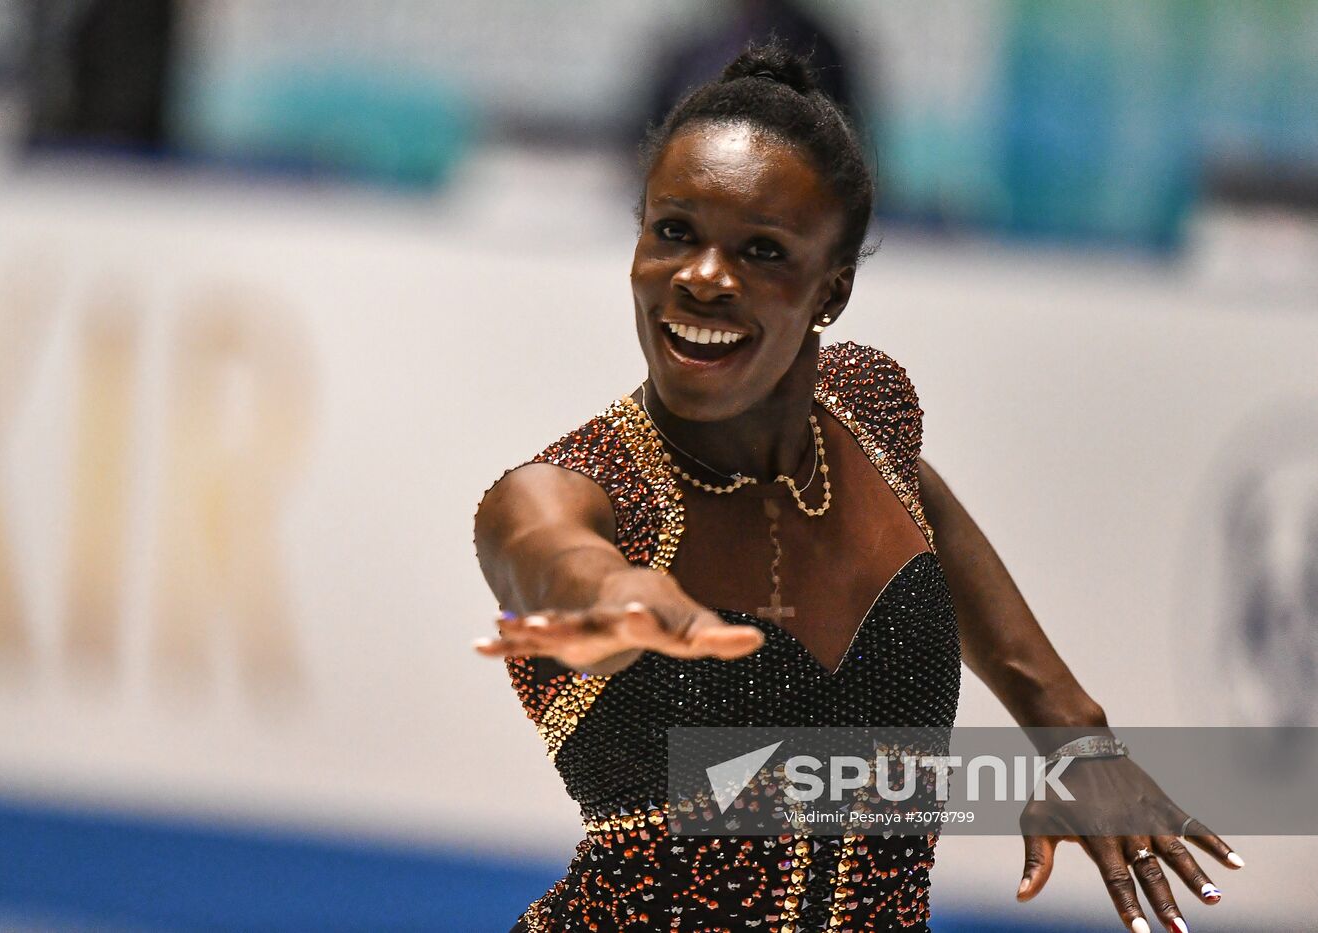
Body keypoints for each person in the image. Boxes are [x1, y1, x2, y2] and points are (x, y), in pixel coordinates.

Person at [473, 43, 1241, 933]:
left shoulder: (868, 413)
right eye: (673, 231)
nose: (703, 276)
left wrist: (1073, 730)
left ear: (830, 290)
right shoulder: (576, 492)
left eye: (762, 250)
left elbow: (933, 530)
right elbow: (551, 556)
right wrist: (610, 599)